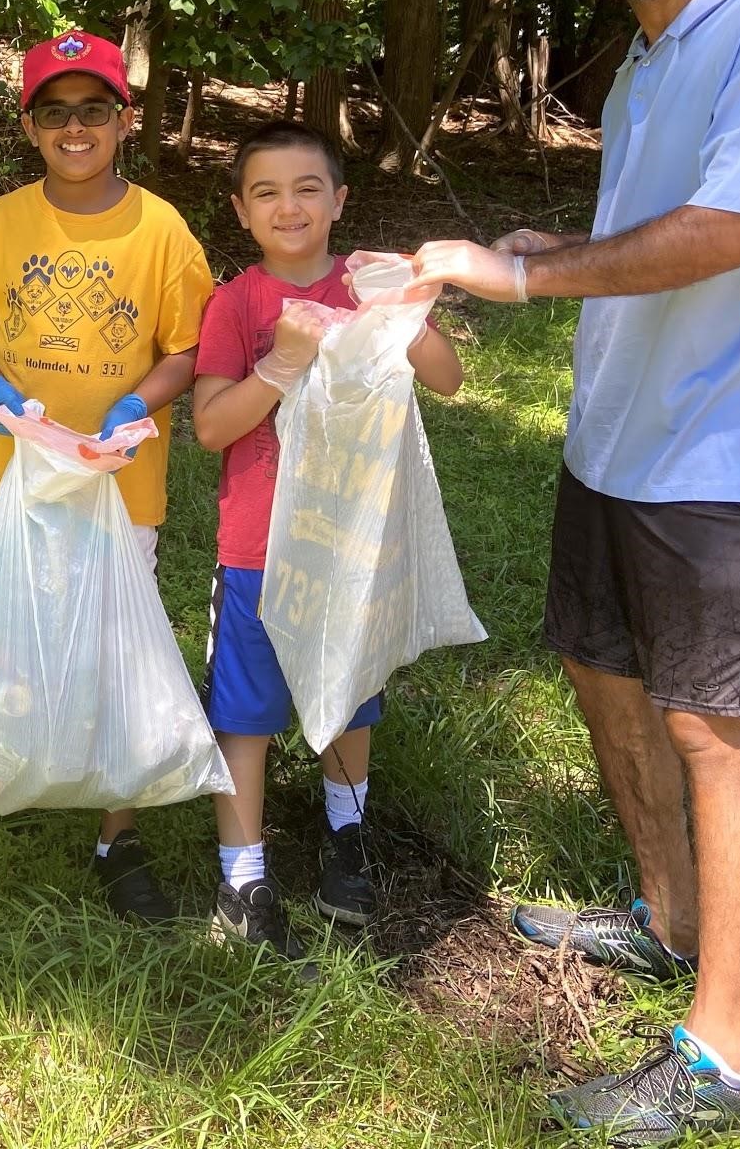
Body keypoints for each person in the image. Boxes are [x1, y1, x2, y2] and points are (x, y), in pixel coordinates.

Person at [409, 0, 740, 1144]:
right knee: (603, 674)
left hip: (722, 449)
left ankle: (717, 1059)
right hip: (616, 438)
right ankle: (664, 918)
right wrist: (569, 240)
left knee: (710, 728)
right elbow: (655, 224)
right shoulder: (642, 78)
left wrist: (527, 276)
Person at [0, 29, 213, 921]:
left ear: (124, 121)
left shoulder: (163, 230)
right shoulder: (1, 222)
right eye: (54, 112)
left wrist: (142, 401)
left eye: (93, 109)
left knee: (110, 649)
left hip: (115, 479)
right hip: (3, 470)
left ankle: (116, 834)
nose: (75, 128)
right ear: (29, 126)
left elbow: (187, 346)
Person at [191, 124, 461, 965]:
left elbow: (448, 379)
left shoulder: (367, 286)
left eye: (308, 187)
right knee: (245, 710)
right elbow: (208, 427)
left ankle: (349, 837)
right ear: (240, 211)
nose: (289, 206)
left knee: (349, 688)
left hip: (352, 537)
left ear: (340, 200)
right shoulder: (235, 304)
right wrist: (279, 367)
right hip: (258, 546)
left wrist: (403, 313)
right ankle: (243, 876)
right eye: (266, 192)